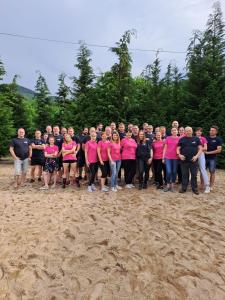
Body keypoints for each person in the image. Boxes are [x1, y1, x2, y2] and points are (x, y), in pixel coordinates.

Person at [177, 126, 202, 194]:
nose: (188, 132)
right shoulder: (182, 139)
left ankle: (194, 188)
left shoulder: (196, 139)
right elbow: (178, 148)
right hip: (184, 160)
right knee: (185, 175)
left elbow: (200, 148)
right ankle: (184, 188)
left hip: (194, 160)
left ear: (192, 131)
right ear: (185, 132)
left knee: (194, 175)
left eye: (189, 130)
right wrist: (179, 155)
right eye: (187, 131)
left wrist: (196, 156)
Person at [205, 126, 222, 190]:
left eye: (212, 130)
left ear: (216, 132)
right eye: (210, 130)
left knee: (212, 172)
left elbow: (219, 150)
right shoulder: (206, 138)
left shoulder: (218, 139)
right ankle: (202, 184)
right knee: (203, 171)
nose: (211, 131)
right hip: (204, 158)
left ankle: (211, 186)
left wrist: (208, 153)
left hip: (212, 158)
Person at [163, 127, 179, 192]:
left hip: (176, 157)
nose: (174, 131)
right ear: (171, 132)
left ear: (177, 131)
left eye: (175, 130)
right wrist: (163, 157)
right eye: (172, 130)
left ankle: (172, 185)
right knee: (168, 171)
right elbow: (165, 148)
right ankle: (168, 185)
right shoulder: (168, 138)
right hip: (168, 157)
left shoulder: (179, 138)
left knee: (174, 172)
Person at [195, 128, 210, 193]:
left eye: (200, 132)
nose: (198, 132)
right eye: (197, 131)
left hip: (201, 155)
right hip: (194, 155)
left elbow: (205, 148)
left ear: (201, 133)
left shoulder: (203, 138)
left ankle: (207, 186)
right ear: (195, 132)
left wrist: (199, 149)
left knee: (203, 169)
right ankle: (194, 184)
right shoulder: (193, 138)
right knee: (193, 170)